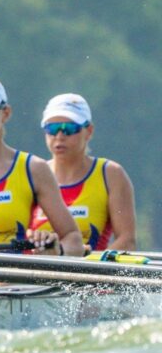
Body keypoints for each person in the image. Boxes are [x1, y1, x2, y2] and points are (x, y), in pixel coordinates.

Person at [0, 75, 83, 256]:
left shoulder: (33, 169)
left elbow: (73, 239)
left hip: (13, 277)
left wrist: (58, 251)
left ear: (6, 113)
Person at [30, 93, 135, 251]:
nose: (59, 136)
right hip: (36, 272)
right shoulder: (34, 174)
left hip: (90, 272)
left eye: (69, 129)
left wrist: (89, 266)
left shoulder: (111, 174)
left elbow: (127, 241)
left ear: (89, 131)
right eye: (52, 128)